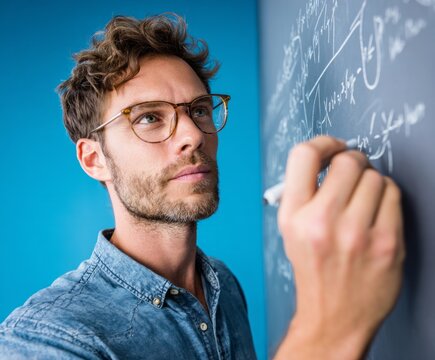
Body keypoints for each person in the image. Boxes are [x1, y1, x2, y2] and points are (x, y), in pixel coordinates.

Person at [0, 14, 405, 359]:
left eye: (197, 110)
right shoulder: (46, 339)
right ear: (94, 159)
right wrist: (328, 328)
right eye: (148, 118)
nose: (192, 134)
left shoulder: (223, 285)